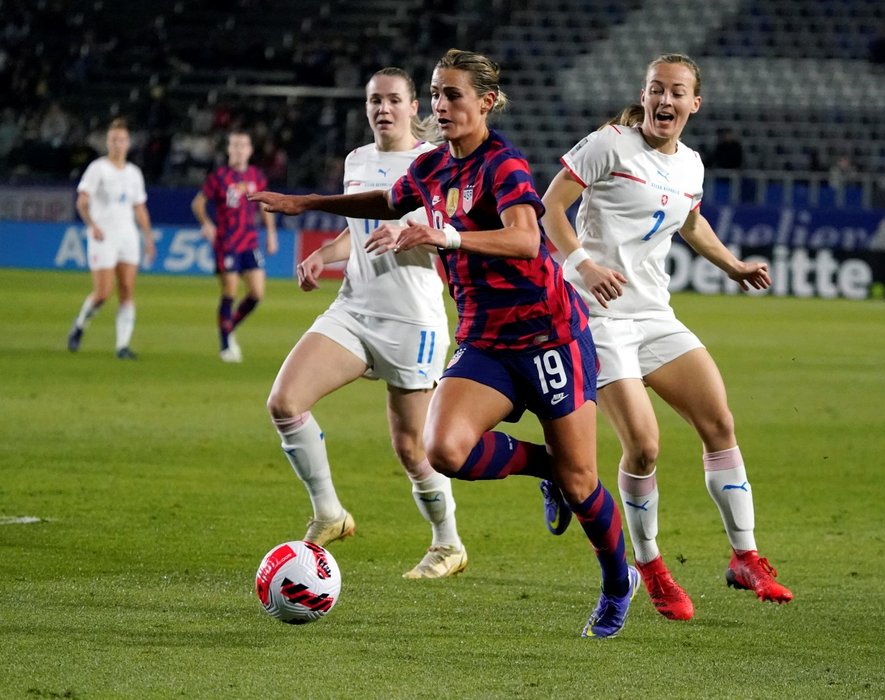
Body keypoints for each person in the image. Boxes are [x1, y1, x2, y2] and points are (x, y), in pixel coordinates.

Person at [251, 49, 638, 638]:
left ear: (484, 102)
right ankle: (545, 469)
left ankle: (617, 584)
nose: (440, 105)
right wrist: (308, 202)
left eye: (452, 95)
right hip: (485, 337)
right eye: (435, 94)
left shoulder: (502, 165)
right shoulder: (432, 169)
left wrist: (447, 235)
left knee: (584, 482)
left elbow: (526, 242)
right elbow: (387, 202)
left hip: (547, 335)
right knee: (443, 450)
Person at [540, 53, 793, 622]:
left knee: (719, 423)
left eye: (677, 92)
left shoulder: (692, 165)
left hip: (654, 314)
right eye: (656, 89)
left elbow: (691, 221)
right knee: (645, 445)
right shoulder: (609, 143)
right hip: (596, 317)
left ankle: (745, 556)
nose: (665, 101)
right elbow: (550, 206)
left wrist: (732, 265)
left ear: (694, 104)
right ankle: (651, 568)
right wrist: (583, 265)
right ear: (644, 94)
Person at [264, 67, 468, 580]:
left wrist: (411, 233)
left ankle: (448, 545)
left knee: (412, 448)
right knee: (285, 403)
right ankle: (329, 513)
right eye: (375, 100)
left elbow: (447, 231)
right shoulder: (358, 160)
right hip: (353, 309)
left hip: (411, 319)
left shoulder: (434, 162)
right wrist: (324, 257)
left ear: (413, 106)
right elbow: (355, 231)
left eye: (394, 100)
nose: (383, 109)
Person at [67, 118, 156, 359]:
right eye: (114, 140)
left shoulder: (133, 173)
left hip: (127, 236)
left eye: (122, 140)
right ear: (108, 142)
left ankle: (122, 346)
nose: (118, 144)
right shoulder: (98, 169)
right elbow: (82, 201)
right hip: (103, 236)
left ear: (128, 143)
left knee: (127, 289)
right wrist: (92, 224)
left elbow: (140, 208)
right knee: (103, 293)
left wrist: (147, 238)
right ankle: (80, 324)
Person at [191, 130, 278, 362]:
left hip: (250, 241)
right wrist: (207, 223)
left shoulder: (256, 176)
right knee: (230, 290)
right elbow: (198, 203)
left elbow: (264, 206)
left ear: (249, 150)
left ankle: (229, 329)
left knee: (257, 293)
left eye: (243, 145)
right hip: (226, 242)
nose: (239, 149)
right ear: (229, 149)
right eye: (235, 145)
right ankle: (225, 345)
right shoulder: (219, 176)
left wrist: (271, 234)